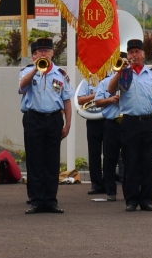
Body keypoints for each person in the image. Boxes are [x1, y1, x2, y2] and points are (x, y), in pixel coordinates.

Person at [102, 37, 152, 212]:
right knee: (130, 162)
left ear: (143, 54)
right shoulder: (124, 73)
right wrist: (119, 71)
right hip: (129, 122)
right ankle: (131, 200)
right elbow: (110, 90)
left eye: (137, 52)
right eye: (131, 52)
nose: (134, 55)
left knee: (147, 163)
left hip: (148, 122)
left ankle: (146, 200)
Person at [18, 37, 73, 213]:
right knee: (35, 160)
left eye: (46, 51)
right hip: (33, 118)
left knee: (52, 161)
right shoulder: (27, 71)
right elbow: (22, 87)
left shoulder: (61, 74)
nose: (43, 54)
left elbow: (67, 101)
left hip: (54, 119)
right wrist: (35, 69)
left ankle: (50, 200)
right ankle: (36, 201)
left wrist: (68, 124)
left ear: (52, 53)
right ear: (34, 55)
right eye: (40, 51)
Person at [93, 56, 126, 202]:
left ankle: (128, 191)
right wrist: (110, 100)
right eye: (120, 63)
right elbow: (98, 102)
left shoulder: (133, 80)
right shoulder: (105, 82)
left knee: (128, 159)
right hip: (112, 123)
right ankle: (111, 191)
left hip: (127, 123)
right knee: (109, 159)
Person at [78, 76, 107, 195]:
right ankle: (96, 184)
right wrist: (97, 96)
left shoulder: (111, 79)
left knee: (109, 153)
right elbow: (80, 100)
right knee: (94, 153)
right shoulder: (87, 80)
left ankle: (108, 183)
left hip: (108, 118)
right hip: (93, 119)